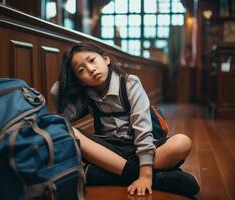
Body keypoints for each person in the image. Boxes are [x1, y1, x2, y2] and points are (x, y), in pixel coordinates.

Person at [51, 42, 200, 197]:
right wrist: (68, 79)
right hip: (109, 150)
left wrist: (146, 175)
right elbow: (62, 109)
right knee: (69, 131)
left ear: (106, 59)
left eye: (92, 60)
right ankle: (159, 178)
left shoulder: (129, 83)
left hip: (137, 148)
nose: (91, 69)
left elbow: (143, 130)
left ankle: (110, 174)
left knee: (182, 142)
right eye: (81, 70)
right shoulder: (87, 94)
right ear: (79, 80)